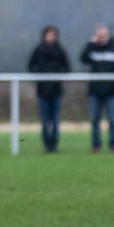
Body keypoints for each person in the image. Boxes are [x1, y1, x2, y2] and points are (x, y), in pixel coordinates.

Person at [81, 24, 114, 153]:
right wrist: (91, 43)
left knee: (112, 119)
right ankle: (96, 145)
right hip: (95, 91)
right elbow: (83, 58)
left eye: (103, 36)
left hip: (111, 92)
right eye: (99, 36)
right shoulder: (92, 49)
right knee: (94, 120)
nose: (101, 39)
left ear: (108, 35)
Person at [27, 25, 71, 153]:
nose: (50, 37)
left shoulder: (60, 50)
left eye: (53, 35)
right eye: (48, 35)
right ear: (44, 36)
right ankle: (46, 144)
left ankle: (55, 144)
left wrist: (58, 76)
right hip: (42, 90)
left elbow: (67, 68)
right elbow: (31, 67)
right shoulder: (38, 50)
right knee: (45, 119)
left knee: (55, 119)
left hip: (56, 90)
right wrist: (40, 75)